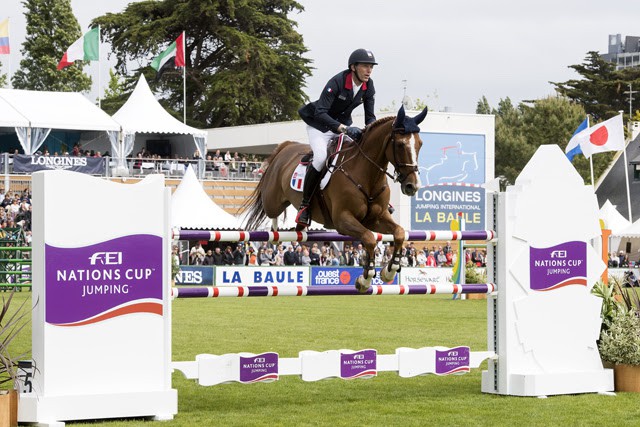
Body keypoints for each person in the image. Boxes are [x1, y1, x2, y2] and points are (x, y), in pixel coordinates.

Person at [295, 48, 378, 229]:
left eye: (371, 67)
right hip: (320, 126)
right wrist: (344, 129)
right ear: (353, 67)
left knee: (361, 153)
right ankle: (305, 205)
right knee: (320, 158)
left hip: (342, 126)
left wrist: (371, 132)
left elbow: (370, 117)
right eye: (365, 66)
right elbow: (320, 112)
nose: (369, 70)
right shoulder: (337, 82)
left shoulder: (368, 86)